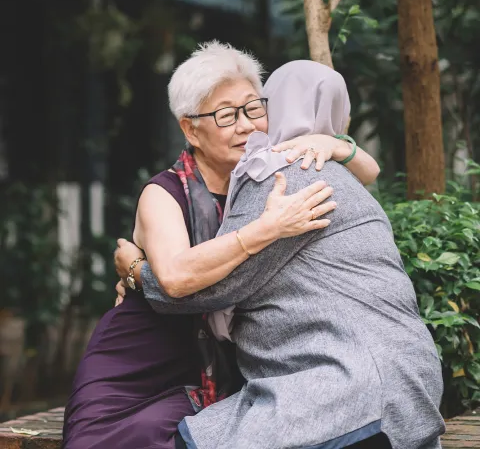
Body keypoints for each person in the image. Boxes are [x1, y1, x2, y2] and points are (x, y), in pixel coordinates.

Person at [63, 43, 380, 449]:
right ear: (190, 128)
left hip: (227, 369)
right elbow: (176, 278)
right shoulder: (163, 193)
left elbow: (367, 173)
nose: (247, 126)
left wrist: (337, 145)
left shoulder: (267, 173)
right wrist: (266, 229)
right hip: (141, 364)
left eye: (254, 108)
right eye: (227, 115)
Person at [118, 60, 445, 449]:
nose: (250, 122)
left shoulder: (287, 175)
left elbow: (201, 289)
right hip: (405, 377)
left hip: (346, 383)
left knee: (188, 439)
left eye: (256, 108)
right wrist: (341, 145)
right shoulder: (340, 172)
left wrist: (136, 270)